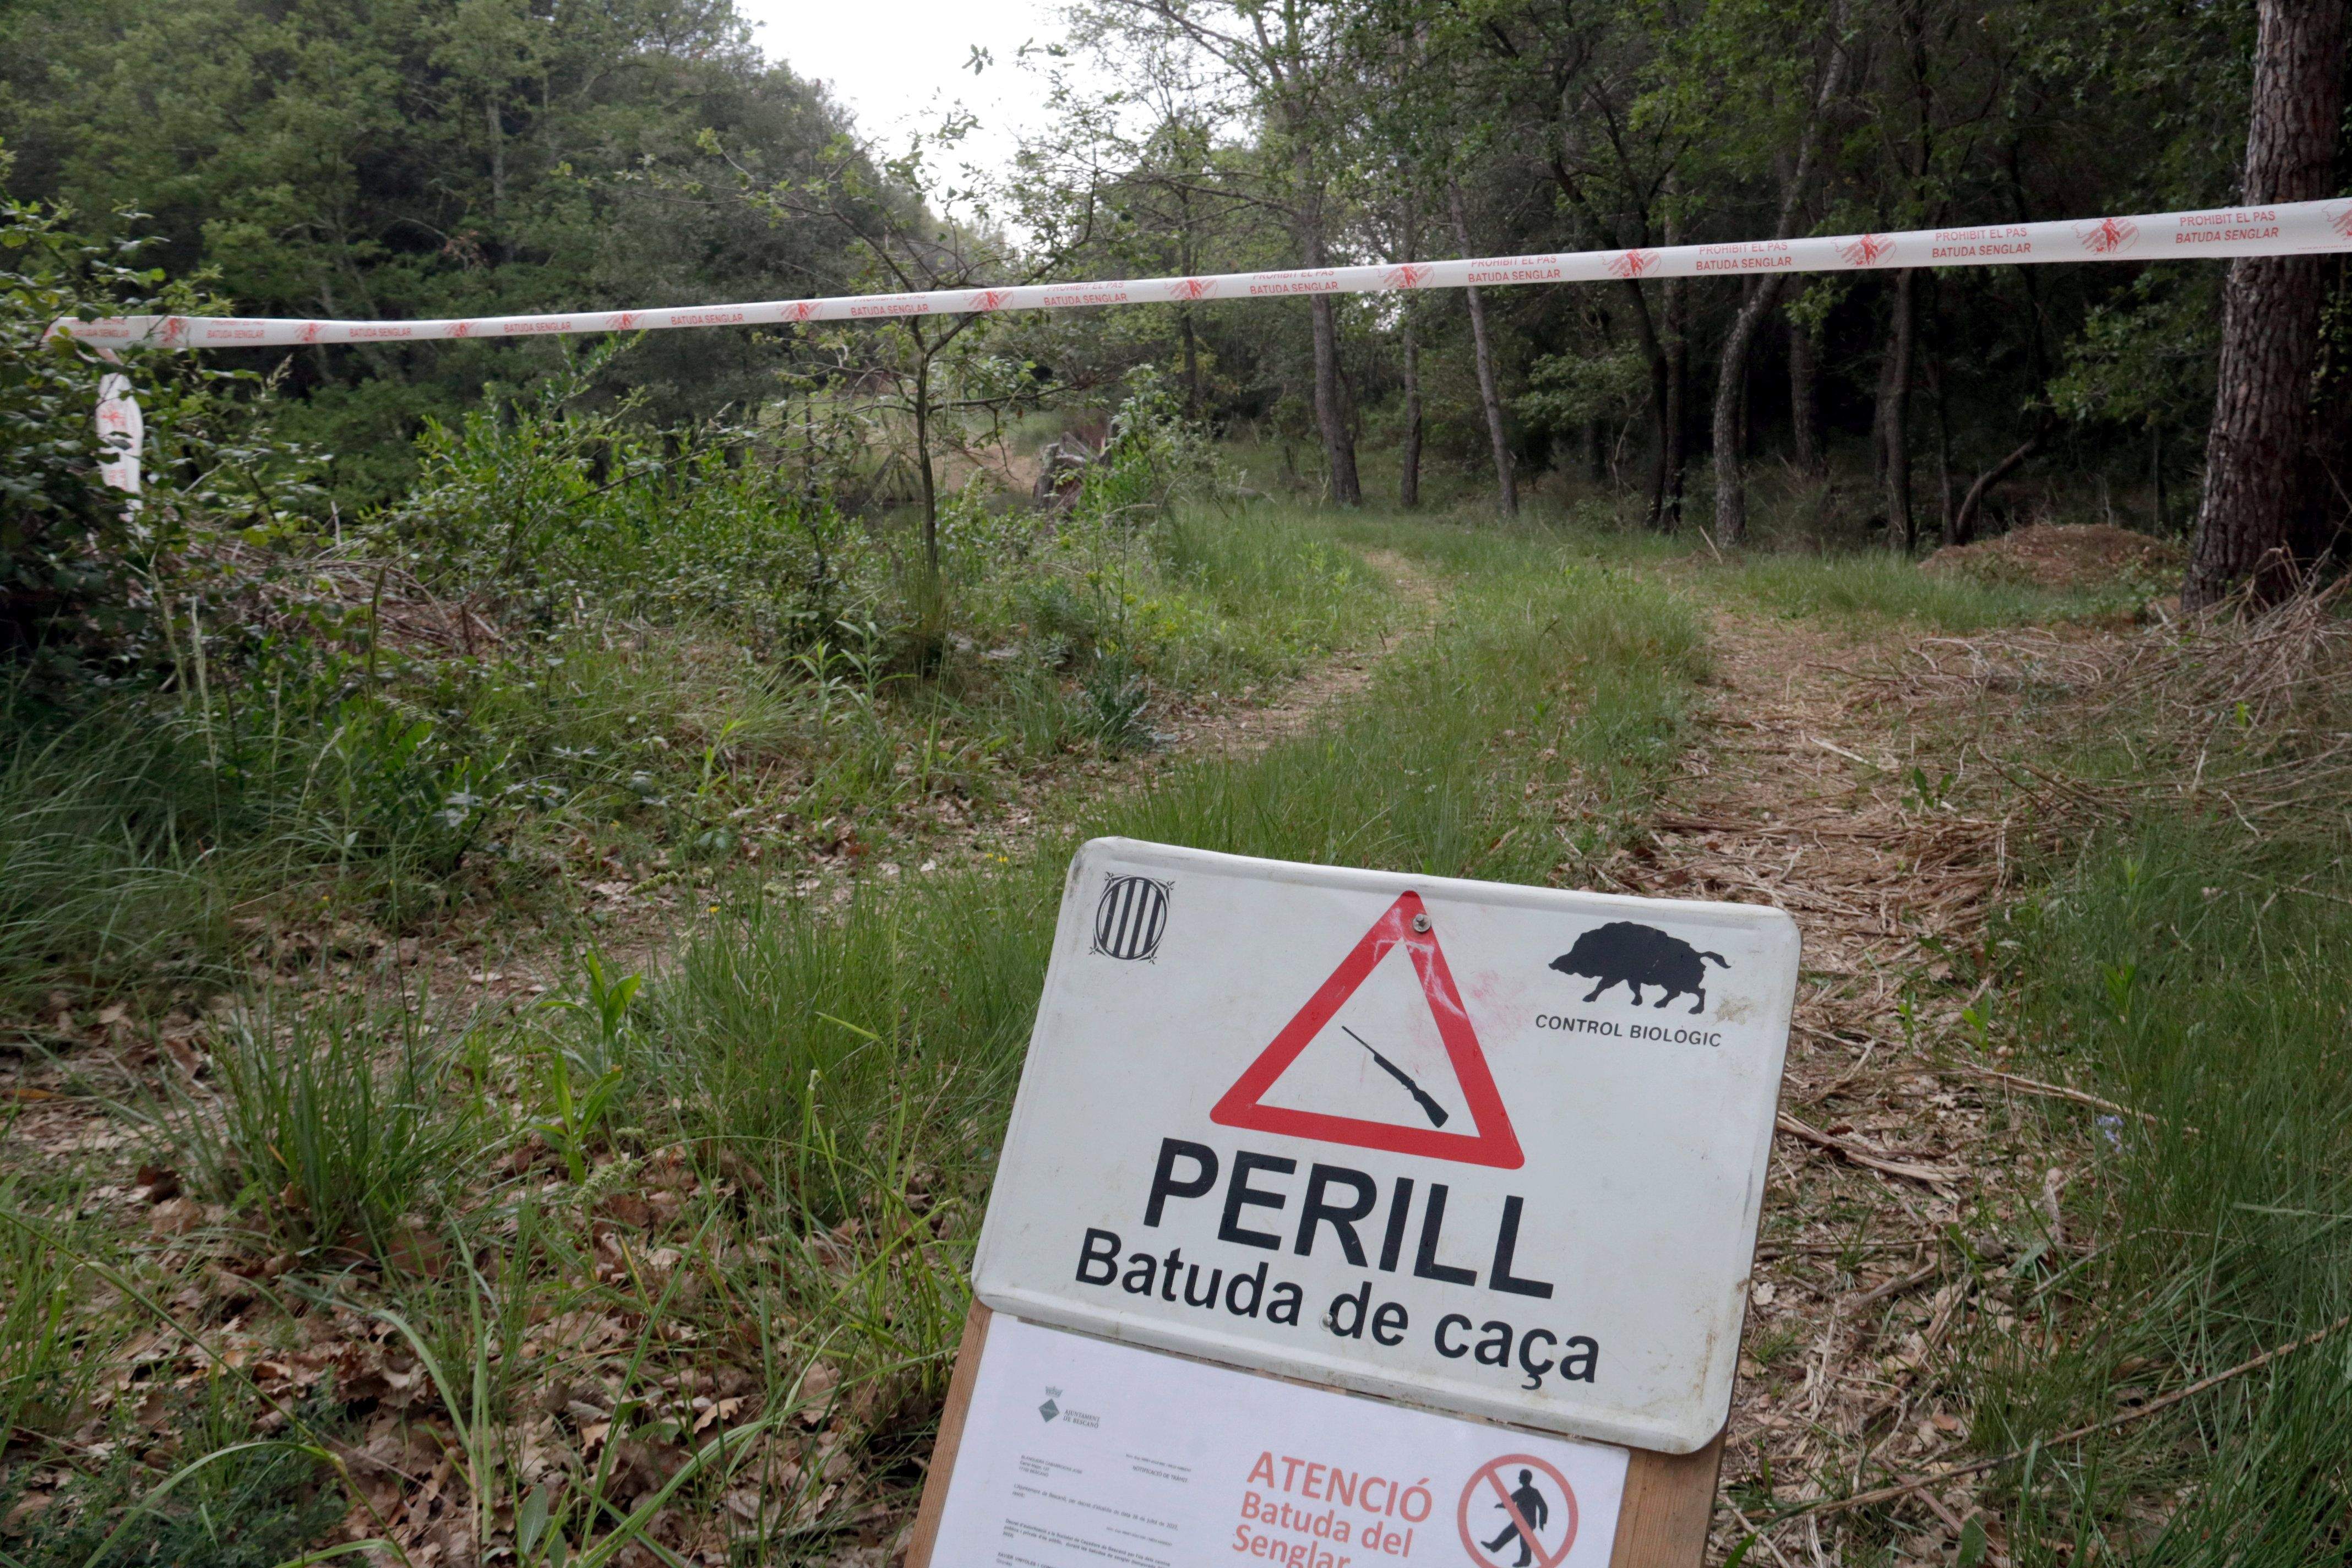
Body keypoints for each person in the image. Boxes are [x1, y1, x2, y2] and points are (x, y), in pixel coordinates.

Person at [1483, 1468, 1550, 1566]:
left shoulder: (1534, 1492)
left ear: (1524, 1479)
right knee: (1507, 1533)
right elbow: (1510, 1500)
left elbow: (1543, 1507)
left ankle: (1525, 1561)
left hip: (1529, 1522)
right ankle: (1494, 1547)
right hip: (1520, 1520)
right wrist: (1502, 1505)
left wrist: (1542, 1522)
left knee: (1525, 1542)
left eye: (1521, 1477)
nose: (1519, 1479)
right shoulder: (1521, 1491)